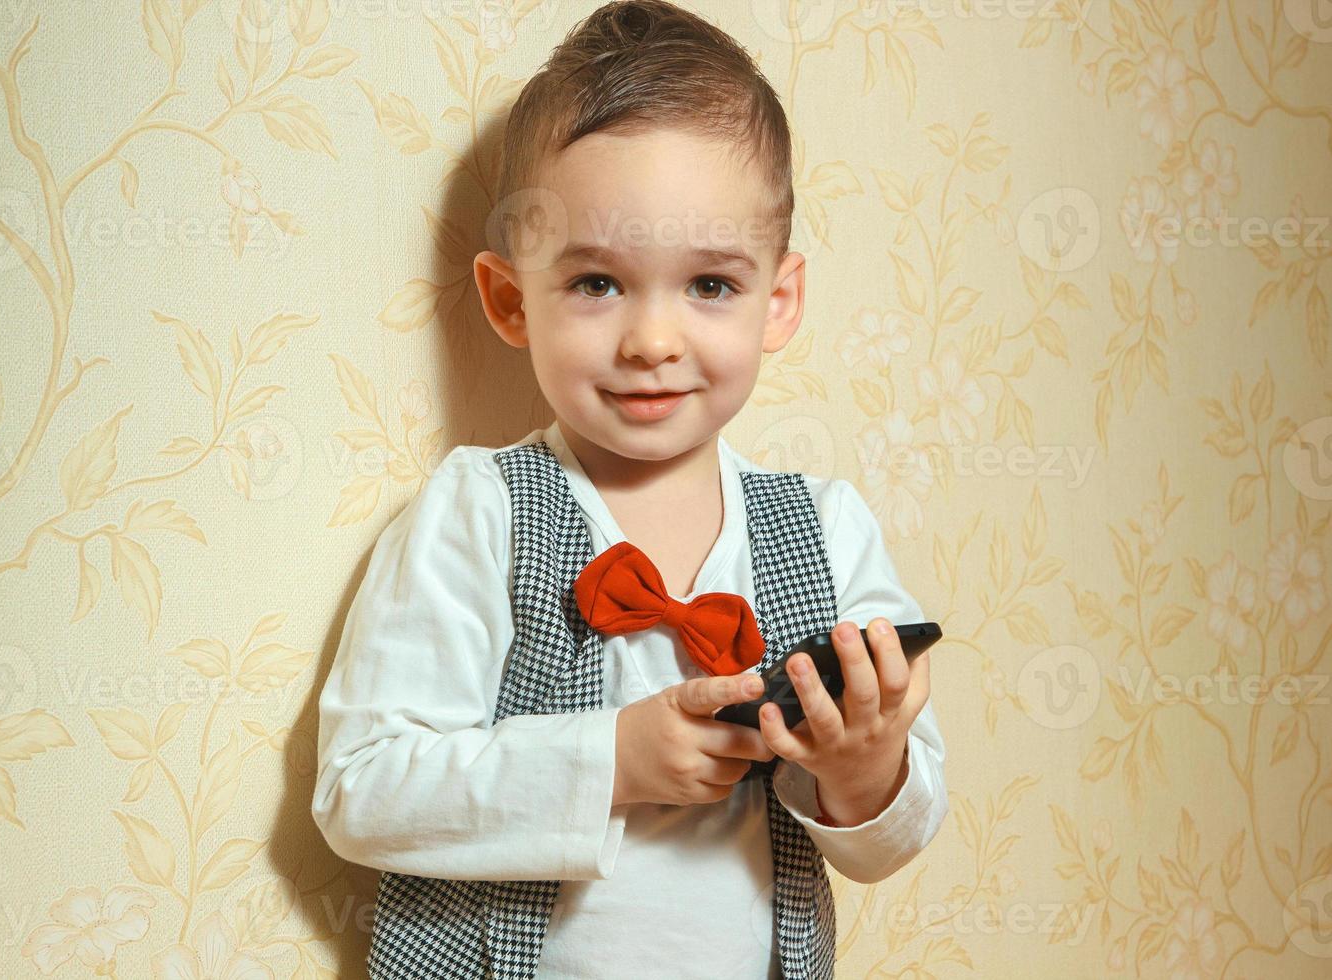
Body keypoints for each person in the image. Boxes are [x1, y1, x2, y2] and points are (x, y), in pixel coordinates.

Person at [312, 2, 949, 977]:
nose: (653, 340)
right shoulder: (479, 510)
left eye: (709, 285)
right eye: (598, 283)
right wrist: (609, 758)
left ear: (776, 301)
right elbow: (361, 789)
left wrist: (863, 769)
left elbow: (888, 841)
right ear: (510, 300)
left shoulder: (825, 529)